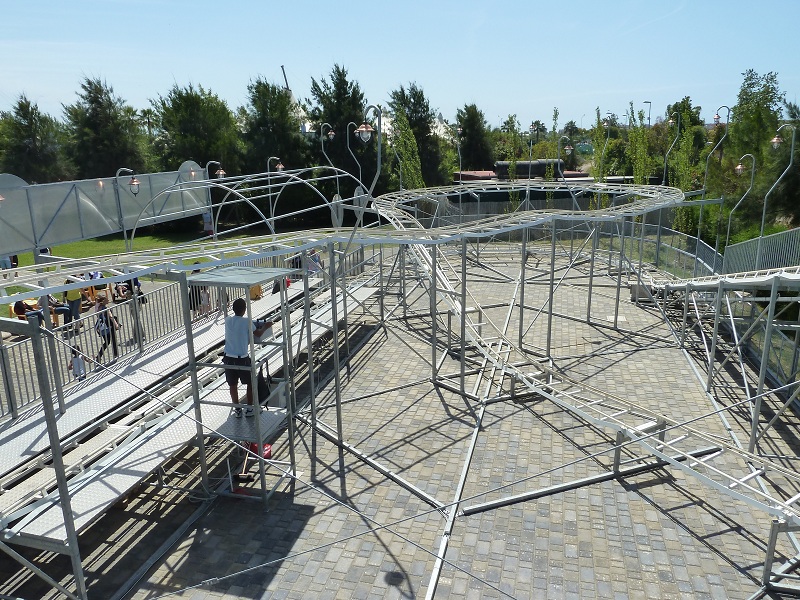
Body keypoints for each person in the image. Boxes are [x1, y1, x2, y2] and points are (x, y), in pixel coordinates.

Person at [223, 298, 273, 418]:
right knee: (251, 383)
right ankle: (250, 409)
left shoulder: (228, 320)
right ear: (244, 310)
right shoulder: (247, 321)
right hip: (242, 358)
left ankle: (237, 409)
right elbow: (258, 333)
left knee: (232, 385)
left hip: (228, 357)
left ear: (233, 309)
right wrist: (266, 326)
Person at [94, 296, 120, 364]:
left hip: (102, 327)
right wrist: (116, 325)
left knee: (107, 342)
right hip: (109, 326)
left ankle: (99, 355)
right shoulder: (106, 308)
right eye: (106, 299)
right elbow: (111, 317)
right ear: (103, 301)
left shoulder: (98, 308)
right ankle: (115, 354)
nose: (108, 300)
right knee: (113, 340)